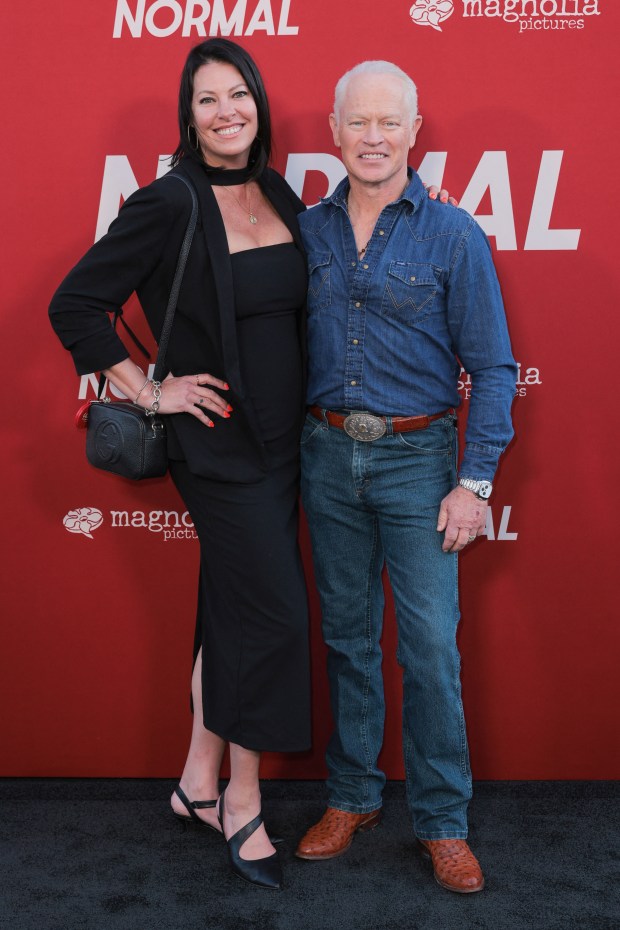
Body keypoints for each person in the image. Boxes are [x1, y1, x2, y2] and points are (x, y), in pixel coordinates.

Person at [49, 38, 312, 891]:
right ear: (187, 115)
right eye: (208, 99)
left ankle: (196, 783)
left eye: (240, 95)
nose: (227, 111)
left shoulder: (276, 191)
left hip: (284, 448)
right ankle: (242, 799)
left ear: (259, 105)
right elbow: (75, 302)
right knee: (266, 618)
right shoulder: (171, 201)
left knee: (232, 607)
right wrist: (150, 391)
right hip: (219, 448)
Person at [295, 61, 517, 895]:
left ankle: (442, 820)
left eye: (391, 122)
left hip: (421, 463)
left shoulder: (453, 234)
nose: (375, 137)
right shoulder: (307, 230)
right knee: (349, 641)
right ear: (335, 130)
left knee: (428, 651)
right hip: (323, 456)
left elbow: (493, 368)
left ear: (415, 131)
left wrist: (477, 482)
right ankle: (353, 797)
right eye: (360, 122)